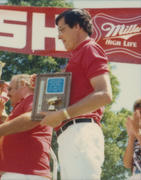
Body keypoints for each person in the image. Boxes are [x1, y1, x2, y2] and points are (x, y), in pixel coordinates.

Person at [39, 8, 113, 179]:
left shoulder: (90, 49)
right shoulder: (76, 57)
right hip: (69, 136)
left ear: (77, 26)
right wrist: (44, 87)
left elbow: (104, 94)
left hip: (80, 132)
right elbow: (62, 100)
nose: (59, 36)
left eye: (62, 29)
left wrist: (63, 113)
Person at [0, 74, 52, 180]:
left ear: (22, 84)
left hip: (25, 172)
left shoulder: (34, 99)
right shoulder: (21, 107)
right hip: (18, 173)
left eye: (10, 89)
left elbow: (34, 117)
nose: (7, 94)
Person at [123, 98, 141, 179]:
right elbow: (127, 164)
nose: (140, 116)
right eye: (137, 113)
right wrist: (131, 137)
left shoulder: (138, 133)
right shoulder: (136, 136)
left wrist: (137, 132)